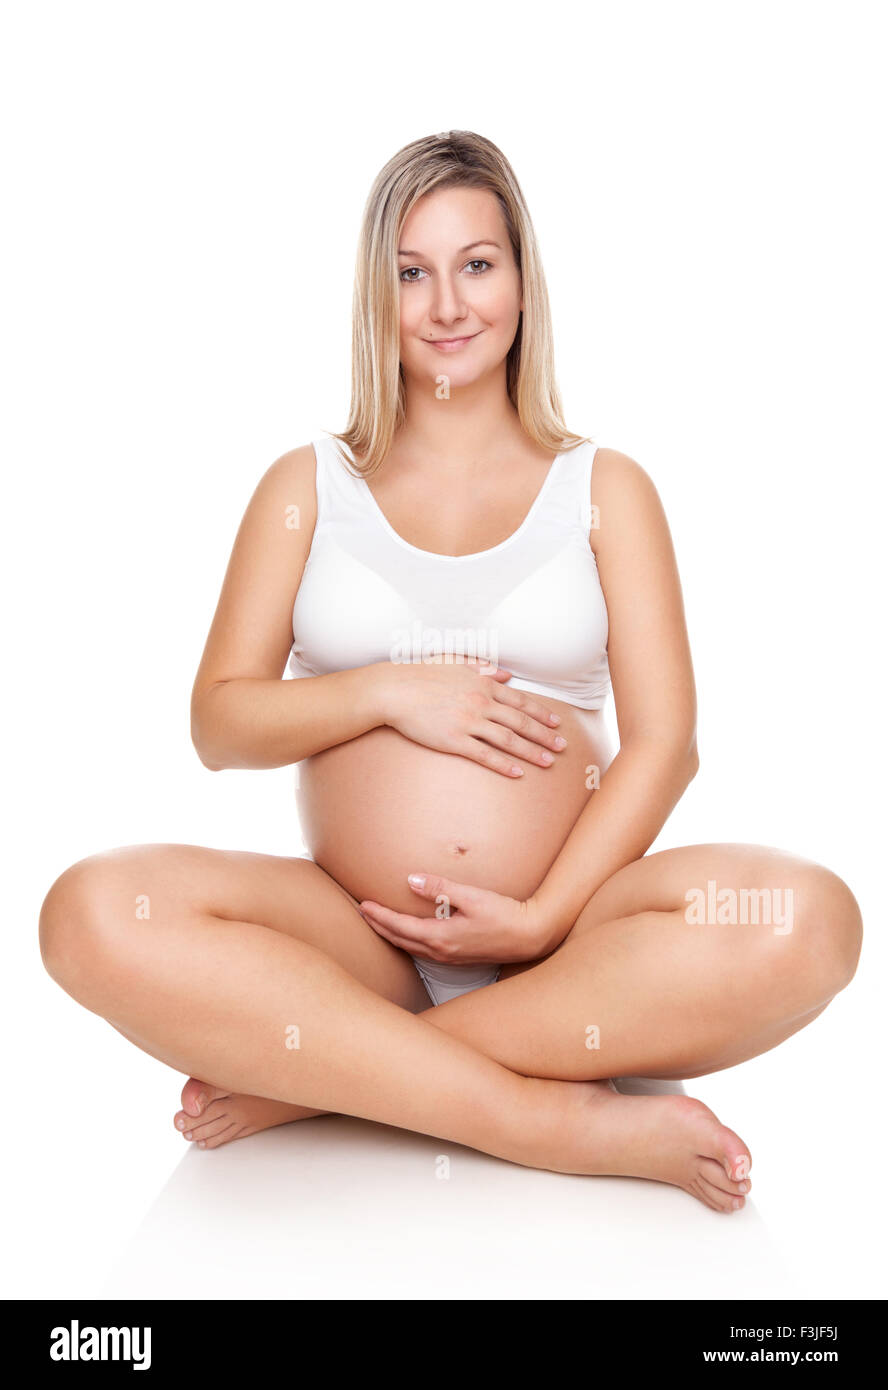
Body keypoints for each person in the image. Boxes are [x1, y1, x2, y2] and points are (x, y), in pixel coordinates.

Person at [39, 130, 862, 1212]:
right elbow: (220, 724)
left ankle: (323, 1081)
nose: (446, 305)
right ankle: (545, 1117)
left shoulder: (607, 488)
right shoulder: (308, 486)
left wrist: (542, 918)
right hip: (353, 940)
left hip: (573, 941)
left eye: (476, 263)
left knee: (811, 919)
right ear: (376, 297)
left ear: (522, 281)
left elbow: (668, 745)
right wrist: (388, 689)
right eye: (411, 273)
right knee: (89, 912)